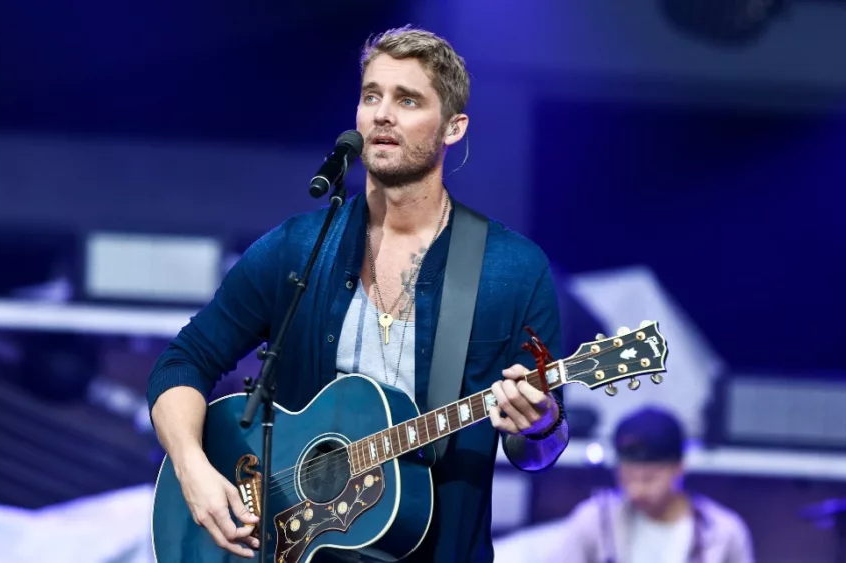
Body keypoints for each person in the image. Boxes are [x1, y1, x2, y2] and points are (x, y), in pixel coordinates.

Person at [146, 25, 570, 562]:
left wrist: (541, 426)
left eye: (407, 100)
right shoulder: (299, 247)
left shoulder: (512, 269)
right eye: (372, 96)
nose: (382, 114)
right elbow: (181, 362)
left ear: (453, 127)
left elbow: (537, 453)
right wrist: (193, 470)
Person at [555, 407, 754, 563]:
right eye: (628, 477)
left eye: (649, 479)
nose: (637, 491)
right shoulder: (596, 519)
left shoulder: (723, 532)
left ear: (678, 468)